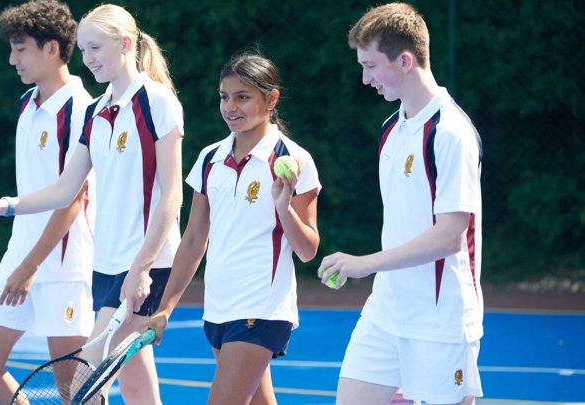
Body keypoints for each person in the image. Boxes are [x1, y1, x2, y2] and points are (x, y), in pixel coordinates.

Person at [0, 4, 183, 404]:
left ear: (126, 44)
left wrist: (142, 268)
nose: (88, 58)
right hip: (105, 265)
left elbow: (172, 196)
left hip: (144, 266)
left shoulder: (156, 102)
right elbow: (62, 189)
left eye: (96, 48)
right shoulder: (97, 110)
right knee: (135, 386)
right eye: (86, 49)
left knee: (81, 389)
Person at [317, 3, 484, 405]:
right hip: (386, 311)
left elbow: (449, 237)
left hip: (439, 317)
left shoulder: (451, 133)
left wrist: (365, 263)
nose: (364, 78)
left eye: (371, 65)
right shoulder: (391, 129)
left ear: (405, 60)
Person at [142, 51, 321, 405]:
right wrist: (164, 308)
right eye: (225, 97)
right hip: (218, 307)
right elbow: (193, 240)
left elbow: (307, 249)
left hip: (261, 308)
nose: (230, 107)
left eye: (243, 97)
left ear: (271, 99)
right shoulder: (210, 159)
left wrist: (283, 207)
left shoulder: (294, 160)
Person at [0, 1, 96, 404]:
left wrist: (31, 266)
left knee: (75, 392)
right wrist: (20, 257)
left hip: (65, 265)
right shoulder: (26, 104)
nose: (11, 59)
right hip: (20, 256)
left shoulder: (82, 111)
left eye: (20, 48)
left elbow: (73, 200)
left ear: (51, 49)